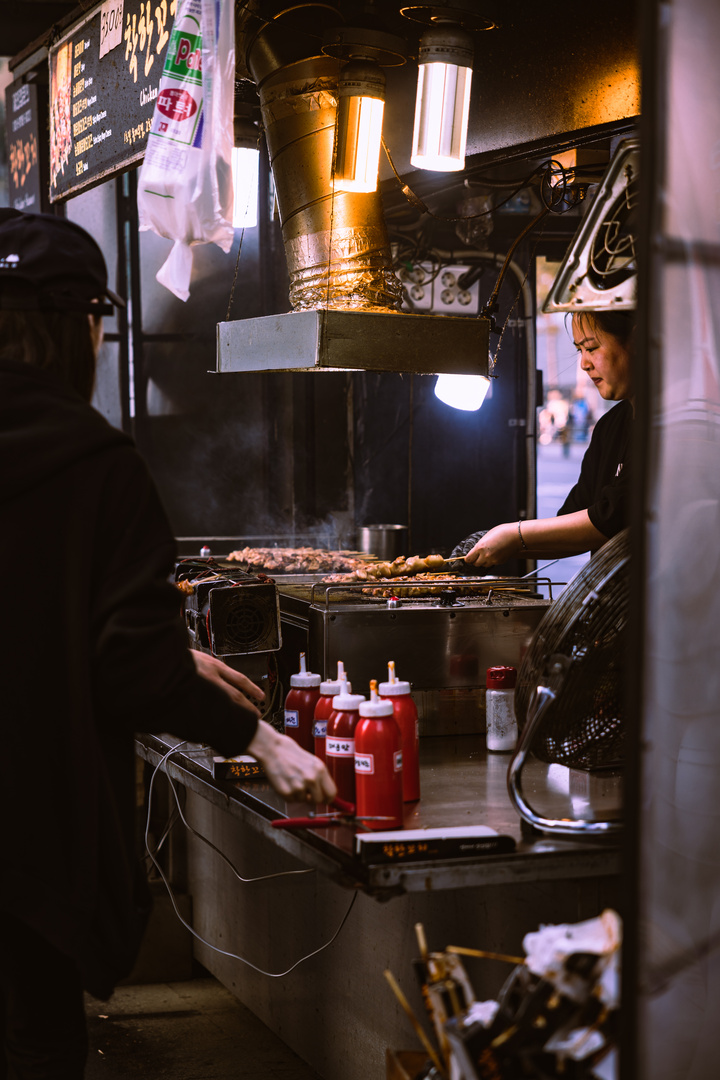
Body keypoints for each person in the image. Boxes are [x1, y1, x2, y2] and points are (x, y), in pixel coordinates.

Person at [0, 209, 336, 1080]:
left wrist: (172, 656)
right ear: (79, 330)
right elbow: (124, 668)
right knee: (35, 1042)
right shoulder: (92, 466)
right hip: (28, 847)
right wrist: (260, 738)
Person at [457, 310, 635, 569]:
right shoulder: (610, 426)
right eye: (579, 351)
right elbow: (573, 520)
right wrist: (495, 544)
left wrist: (512, 535)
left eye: (592, 348)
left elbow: (609, 519)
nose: (584, 363)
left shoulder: (673, 428)